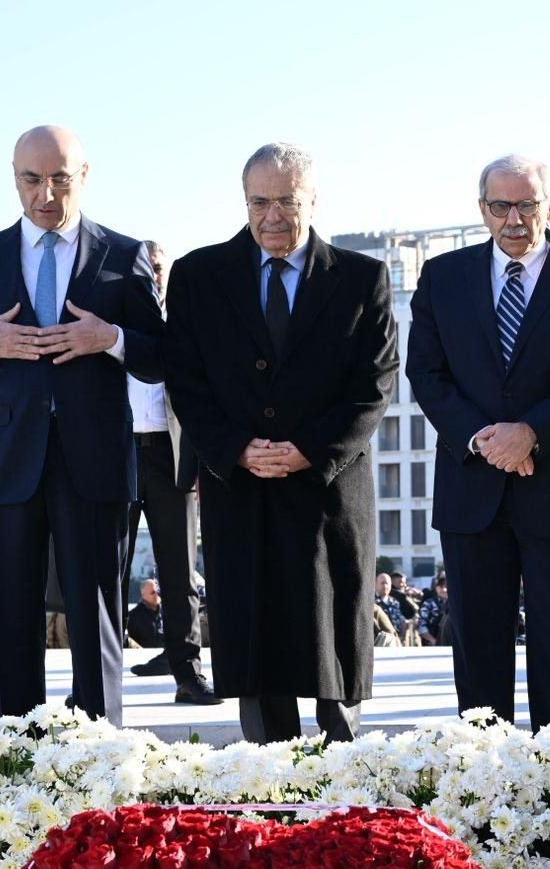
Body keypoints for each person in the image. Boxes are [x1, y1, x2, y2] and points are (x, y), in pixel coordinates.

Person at [0, 125, 165, 726]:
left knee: (96, 612)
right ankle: (19, 753)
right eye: (32, 180)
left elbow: (165, 354)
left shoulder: (123, 255)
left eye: (61, 179)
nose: (46, 195)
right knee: (12, 612)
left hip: (96, 459)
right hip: (9, 461)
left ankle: (103, 750)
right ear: (15, 179)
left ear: (84, 177)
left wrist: (108, 338)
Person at [165, 142, 397, 744]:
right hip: (241, 493)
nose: (272, 216)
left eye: (287, 202)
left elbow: (374, 384)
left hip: (328, 496)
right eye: (259, 202)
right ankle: (271, 799)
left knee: (334, 661)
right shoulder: (198, 276)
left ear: (313, 200)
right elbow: (185, 382)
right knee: (257, 660)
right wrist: (236, 447)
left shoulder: (362, 277)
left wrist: (311, 450)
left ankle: (348, 796)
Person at [406, 154, 550, 731]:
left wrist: (530, 434)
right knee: (477, 658)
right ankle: (482, 796)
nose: (515, 218)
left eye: (527, 204)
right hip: (471, 490)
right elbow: (426, 374)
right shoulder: (442, 278)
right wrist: (484, 439)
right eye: (501, 205)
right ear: (483, 210)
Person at [120, 241, 221, 706]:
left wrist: (203, 461)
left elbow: (204, 394)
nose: (152, 274)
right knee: (104, 569)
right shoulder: (112, 320)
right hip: (115, 453)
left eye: (158, 267)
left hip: (170, 454)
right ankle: (97, 679)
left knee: (179, 571)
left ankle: (188, 671)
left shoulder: (187, 319)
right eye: (144, 267)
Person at [126, 578, 164, 648]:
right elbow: (132, 643)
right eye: (152, 593)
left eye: (157, 592)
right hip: (144, 656)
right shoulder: (134, 616)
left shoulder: (165, 612)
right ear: (143, 595)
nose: (156, 595)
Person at [418, 573, 448, 646]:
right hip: (432, 645)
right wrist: (434, 641)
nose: (444, 589)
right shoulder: (428, 604)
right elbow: (421, 627)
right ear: (436, 587)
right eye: (440, 586)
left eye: (446, 586)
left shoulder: (455, 604)